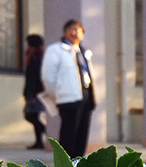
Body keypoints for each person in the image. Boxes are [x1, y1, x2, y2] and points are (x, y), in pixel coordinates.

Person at [41, 19, 96, 158]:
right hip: (68, 98)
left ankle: (78, 165)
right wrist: (56, 94)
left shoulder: (84, 52)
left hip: (86, 95)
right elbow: (48, 76)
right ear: (65, 32)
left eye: (78, 30)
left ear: (82, 34)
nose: (74, 32)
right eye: (71, 29)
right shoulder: (56, 50)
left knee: (82, 135)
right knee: (68, 134)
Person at [23, 34, 46, 149]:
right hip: (36, 91)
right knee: (33, 116)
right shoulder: (39, 56)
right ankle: (39, 141)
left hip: (35, 92)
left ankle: (46, 132)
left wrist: (29, 93)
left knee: (30, 116)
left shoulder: (35, 57)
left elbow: (32, 77)